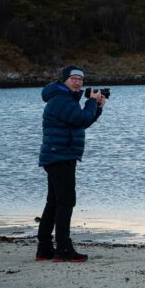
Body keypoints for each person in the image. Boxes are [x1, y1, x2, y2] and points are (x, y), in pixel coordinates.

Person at [36, 65, 107, 262]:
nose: (78, 82)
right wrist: (92, 102)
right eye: (73, 78)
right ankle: (63, 249)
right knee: (65, 202)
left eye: (80, 79)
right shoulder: (61, 99)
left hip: (59, 155)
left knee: (54, 202)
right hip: (60, 156)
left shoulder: (66, 99)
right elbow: (80, 118)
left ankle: (44, 248)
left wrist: (98, 107)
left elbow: (82, 122)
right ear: (64, 80)